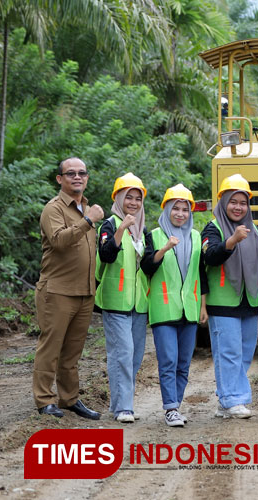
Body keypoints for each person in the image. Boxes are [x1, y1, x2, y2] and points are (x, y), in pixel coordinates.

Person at [33, 157, 104, 419]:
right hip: (58, 292)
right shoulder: (53, 209)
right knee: (50, 348)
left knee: (72, 352)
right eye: (70, 173)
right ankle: (44, 400)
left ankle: (69, 398)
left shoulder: (85, 207)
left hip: (84, 293)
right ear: (60, 179)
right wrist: (88, 220)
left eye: (82, 173)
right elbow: (60, 242)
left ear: (87, 178)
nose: (77, 177)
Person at [141, 184, 207, 427]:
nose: (180, 213)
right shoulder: (155, 235)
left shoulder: (197, 237)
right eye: (175, 208)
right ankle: (170, 408)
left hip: (189, 309)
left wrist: (203, 306)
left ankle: (175, 407)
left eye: (185, 209)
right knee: (168, 360)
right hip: (164, 309)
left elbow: (200, 274)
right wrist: (166, 247)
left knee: (183, 363)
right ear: (167, 209)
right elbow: (147, 266)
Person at [201, 174, 258, 419]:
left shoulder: (253, 228)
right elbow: (210, 256)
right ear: (223, 202)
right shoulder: (212, 228)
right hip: (223, 301)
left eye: (243, 202)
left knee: (246, 351)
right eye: (233, 201)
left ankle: (226, 400)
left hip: (249, 299)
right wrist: (232, 241)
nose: (238, 207)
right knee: (229, 352)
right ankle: (233, 400)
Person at [96, 172, 150, 424]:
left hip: (139, 303)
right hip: (115, 300)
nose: (134, 203)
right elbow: (106, 255)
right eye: (129, 197)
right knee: (122, 353)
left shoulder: (143, 228)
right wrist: (121, 229)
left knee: (135, 354)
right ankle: (124, 408)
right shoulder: (109, 224)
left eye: (138, 198)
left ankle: (118, 403)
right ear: (118, 198)